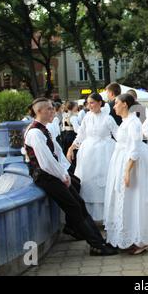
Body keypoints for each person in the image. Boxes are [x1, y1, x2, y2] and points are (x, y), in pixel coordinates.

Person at [24, 97, 117, 256]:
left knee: (79, 203)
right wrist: (63, 175)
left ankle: (98, 242)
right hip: (46, 177)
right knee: (74, 207)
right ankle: (96, 244)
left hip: (52, 175)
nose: (52, 111)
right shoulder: (34, 132)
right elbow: (46, 162)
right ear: (39, 111)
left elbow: (56, 153)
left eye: (52, 108)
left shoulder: (43, 129)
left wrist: (65, 172)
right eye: (49, 109)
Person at [103, 94, 148, 254]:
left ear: (124, 104)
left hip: (135, 165)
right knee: (127, 200)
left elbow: (135, 147)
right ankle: (127, 235)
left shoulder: (134, 122)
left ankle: (142, 239)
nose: (113, 106)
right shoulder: (126, 122)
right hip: (124, 160)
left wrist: (127, 170)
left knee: (138, 199)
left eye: (116, 103)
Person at [67, 93, 117, 222]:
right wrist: (72, 147)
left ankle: (107, 215)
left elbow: (117, 134)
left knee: (104, 180)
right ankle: (89, 216)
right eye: (88, 103)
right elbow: (81, 134)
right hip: (88, 152)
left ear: (100, 103)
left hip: (105, 152)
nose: (89, 106)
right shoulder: (87, 118)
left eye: (92, 103)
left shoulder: (108, 118)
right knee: (88, 181)